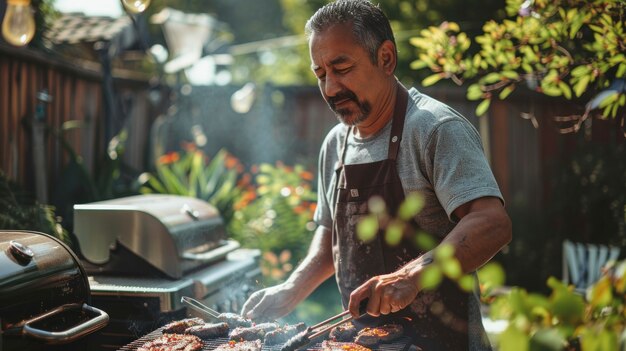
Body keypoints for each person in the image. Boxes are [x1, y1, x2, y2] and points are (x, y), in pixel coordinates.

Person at [241, 0, 512, 349]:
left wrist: (410, 276)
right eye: (321, 74)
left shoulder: (434, 129)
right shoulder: (335, 144)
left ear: (385, 58)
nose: (331, 89)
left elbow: (492, 223)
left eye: (342, 68)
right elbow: (332, 240)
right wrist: (291, 289)